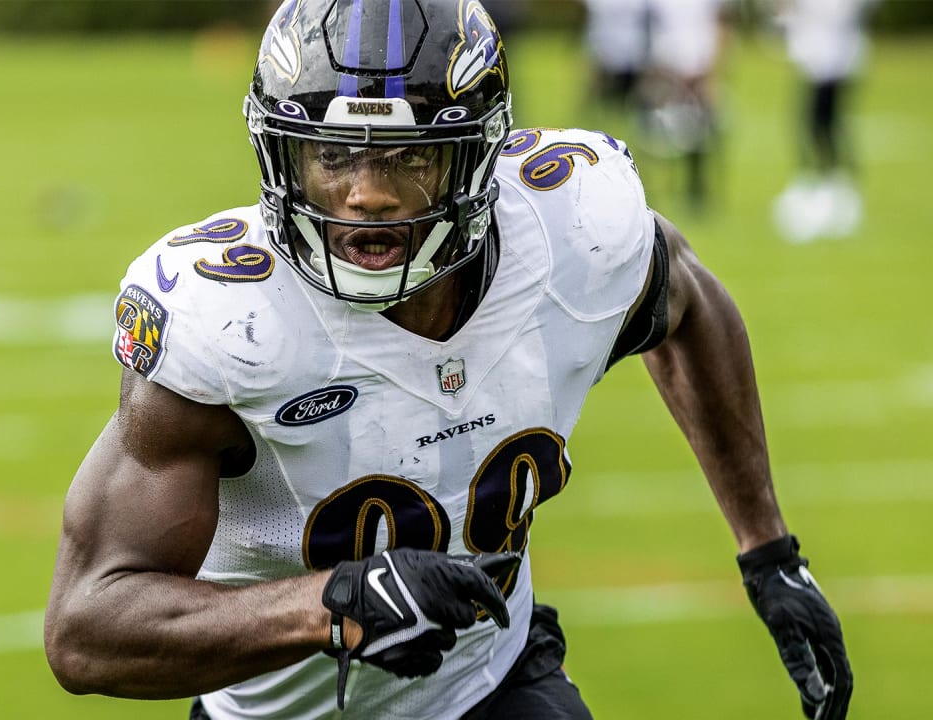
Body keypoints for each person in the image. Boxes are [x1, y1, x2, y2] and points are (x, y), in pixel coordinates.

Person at [44, 1, 853, 718]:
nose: (366, 193)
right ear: (281, 156)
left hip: (491, 681)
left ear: (478, 157)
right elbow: (86, 627)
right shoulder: (231, 321)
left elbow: (689, 305)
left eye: (406, 157)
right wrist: (332, 605)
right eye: (332, 156)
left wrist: (768, 551)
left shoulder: (571, 230)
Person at [770, 0, 876, 243]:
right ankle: (824, 181)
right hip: (817, 58)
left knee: (825, 124)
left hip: (835, 59)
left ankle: (837, 185)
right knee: (812, 125)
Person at [638, 0, 732, 210]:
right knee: (654, 135)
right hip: (664, 69)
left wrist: (713, 74)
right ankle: (646, 191)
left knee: (699, 133)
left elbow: (722, 25)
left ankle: (696, 190)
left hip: (699, 69)